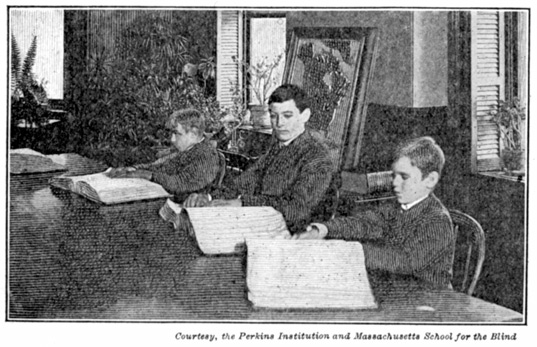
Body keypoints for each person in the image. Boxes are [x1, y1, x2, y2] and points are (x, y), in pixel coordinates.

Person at [293, 136, 455, 289]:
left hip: (428, 301)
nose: (395, 183)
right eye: (394, 175)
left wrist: (350, 251)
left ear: (430, 179)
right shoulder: (395, 206)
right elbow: (364, 223)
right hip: (396, 291)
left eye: (404, 177)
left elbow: (403, 262)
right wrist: (323, 229)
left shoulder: (437, 221)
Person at [184, 84, 334, 233]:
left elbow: (296, 209)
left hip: (293, 238)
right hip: (263, 227)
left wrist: (243, 203)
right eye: (274, 116)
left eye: (287, 116)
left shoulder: (317, 156)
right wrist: (209, 197)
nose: (279, 123)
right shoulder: (278, 148)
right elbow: (242, 183)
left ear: (305, 115)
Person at [106, 108, 221, 201]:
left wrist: (148, 175)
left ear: (193, 134)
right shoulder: (186, 150)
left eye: (177, 134)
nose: (172, 139)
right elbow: (158, 166)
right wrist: (133, 169)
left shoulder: (206, 155)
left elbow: (181, 183)